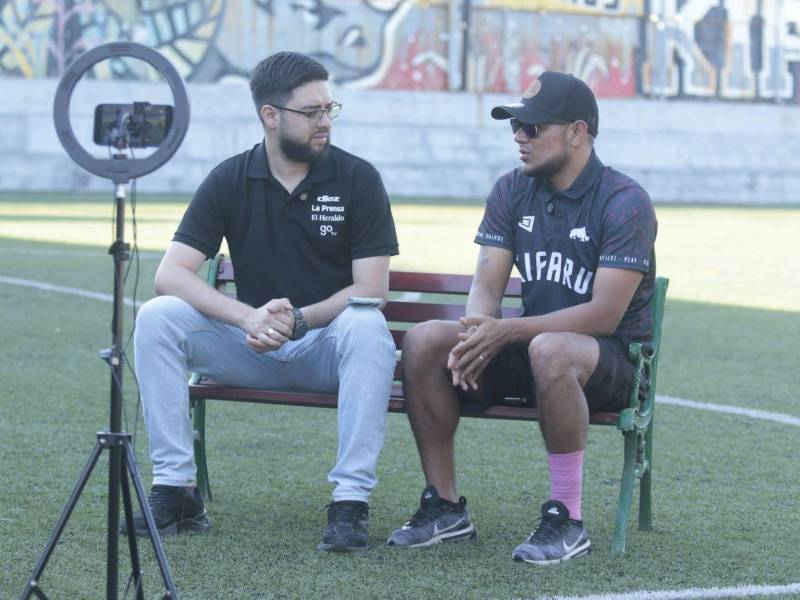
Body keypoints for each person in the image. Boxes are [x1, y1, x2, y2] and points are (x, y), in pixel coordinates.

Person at [124, 51, 399, 553]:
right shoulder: (231, 177)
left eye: (329, 109)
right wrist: (248, 317)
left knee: (366, 324)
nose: (324, 121)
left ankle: (350, 502)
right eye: (311, 112)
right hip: (250, 347)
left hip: (326, 349)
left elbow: (371, 289)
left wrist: (298, 320)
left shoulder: (358, 178)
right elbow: (170, 274)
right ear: (270, 115)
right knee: (157, 316)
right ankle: (176, 490)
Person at [387, 72, 657, 563]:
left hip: (610, 362)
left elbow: (603, 315)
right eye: (515, 126)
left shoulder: (625, 202)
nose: (519, 136)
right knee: (426, 340)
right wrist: (475, 333)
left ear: (577, 132)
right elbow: (487, 287)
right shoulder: (511, 189)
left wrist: (505, 330)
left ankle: (567, 519)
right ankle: (445, 507)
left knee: (550, 348)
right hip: (533, 349)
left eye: (532, 127)